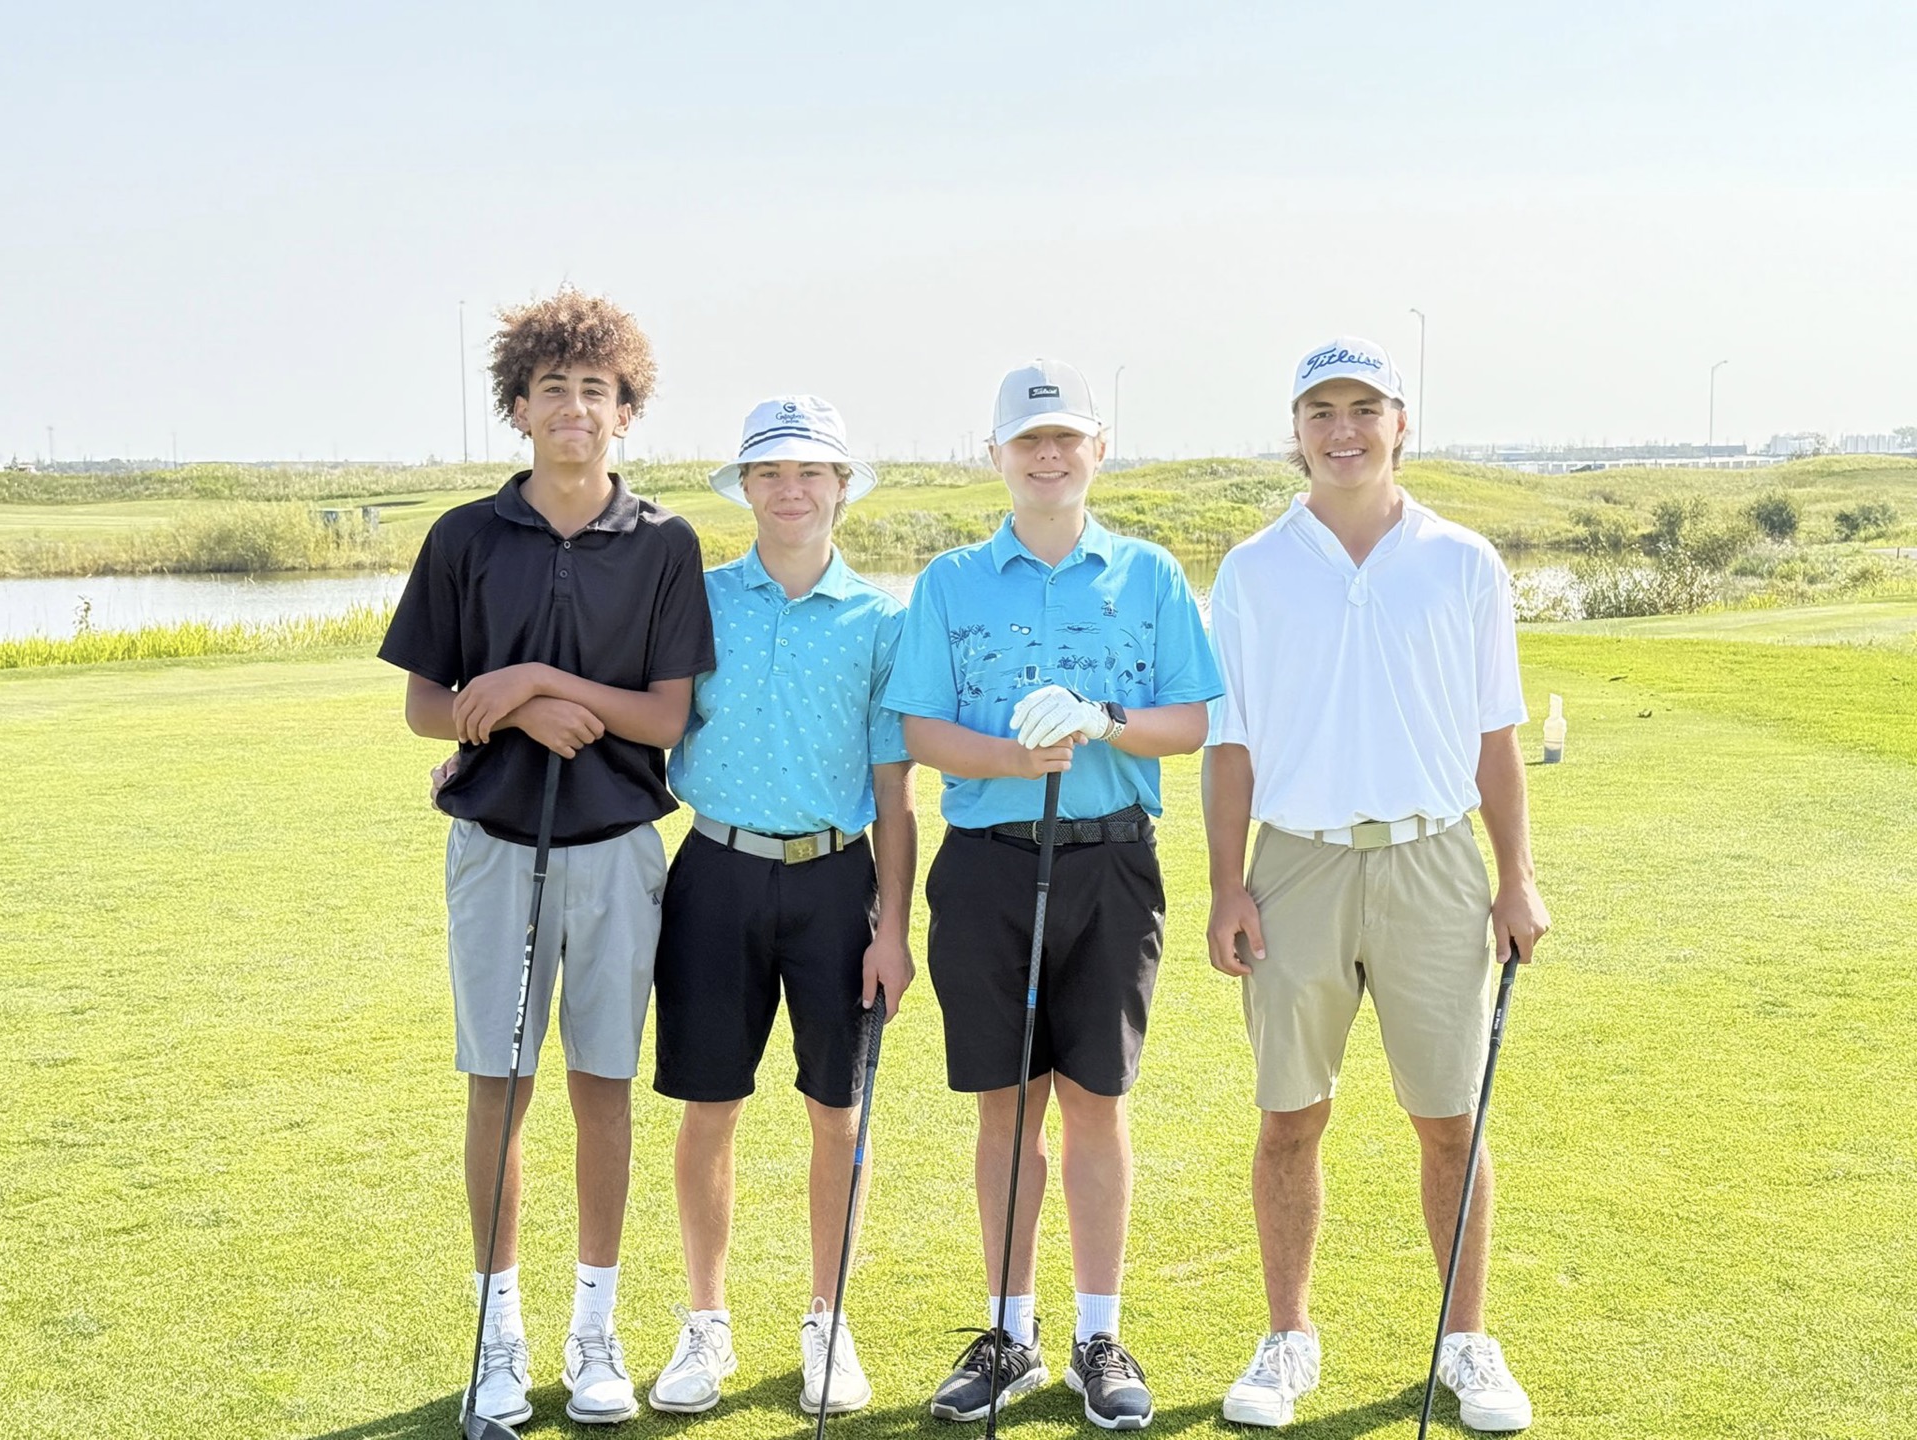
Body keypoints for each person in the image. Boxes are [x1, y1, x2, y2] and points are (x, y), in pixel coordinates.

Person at [379, 289, 714, 1429]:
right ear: (517, 408)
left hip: (618, 850)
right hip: (493, 847)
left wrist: (535, 681)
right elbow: (428, 708)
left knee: (603, 1088)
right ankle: (499, 1337)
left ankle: (595, 1331)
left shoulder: (665, 542)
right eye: (552, 389)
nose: (575, 407)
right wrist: (516, 713)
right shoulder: (464, 537)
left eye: (596, 391)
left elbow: (664, 718)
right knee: (501, 1088)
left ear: (626, 413)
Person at [1202, 336, 1550, 1432]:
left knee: (1450, 1120)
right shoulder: (1253, 569)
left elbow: (1496, 737)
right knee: (1289, 1118)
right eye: (1322, 411)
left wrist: (1517, 878)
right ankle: (1288, 1338)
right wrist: (1226, 886)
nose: (1343, 430)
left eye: (1365, 408)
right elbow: (1229, 746)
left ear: (1401, 422)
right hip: (1295, 863)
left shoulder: (1463, 561)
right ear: (1296, 430)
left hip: (1433, 861)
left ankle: (1465, 1340)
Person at [883, 359, 1221, 1431]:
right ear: (997, 454)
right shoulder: (949, 582)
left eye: (1067, 437)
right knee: (1008, 1106)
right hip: (988, 864)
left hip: (1112, 862)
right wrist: (1011, 756)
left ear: (1097, 450)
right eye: (1029, 440)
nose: (1048, 455)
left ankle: (1096, 1338)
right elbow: (920, 729)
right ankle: (1009, 1334)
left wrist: (1104, 719)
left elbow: (1191, 723)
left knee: (1096, 1105)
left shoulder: (1150, 575)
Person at [643, 395, 918, 1418]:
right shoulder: (699, 599)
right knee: (708, 1107)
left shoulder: (882, 621)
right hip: (713, 874)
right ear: (747, 487)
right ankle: (705, 1323)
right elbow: (639, 724)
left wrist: (895, 930)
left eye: (810, 471)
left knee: (837, 1112)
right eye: (770, 472)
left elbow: (895, 790)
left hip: (836, 884)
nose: (790, 489)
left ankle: (827, 1320)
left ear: (842, 486)